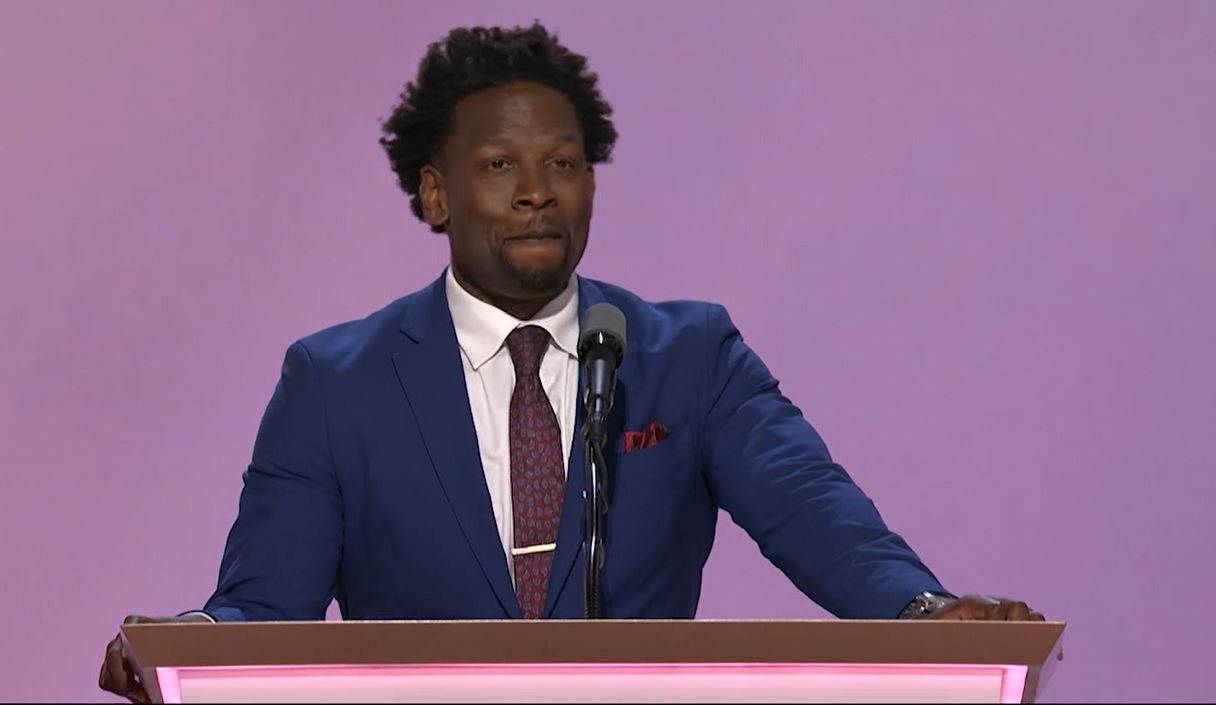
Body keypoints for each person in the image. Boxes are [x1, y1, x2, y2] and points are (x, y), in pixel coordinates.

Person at [99, 22, 1045, 703]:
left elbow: (818, 513)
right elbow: (265, 603)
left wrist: (921, 608)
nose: (537, 193)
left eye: (564, 162)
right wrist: (187, 645)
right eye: (501, 166)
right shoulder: (334, 381)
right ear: (435, 193)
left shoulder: (688, 355)